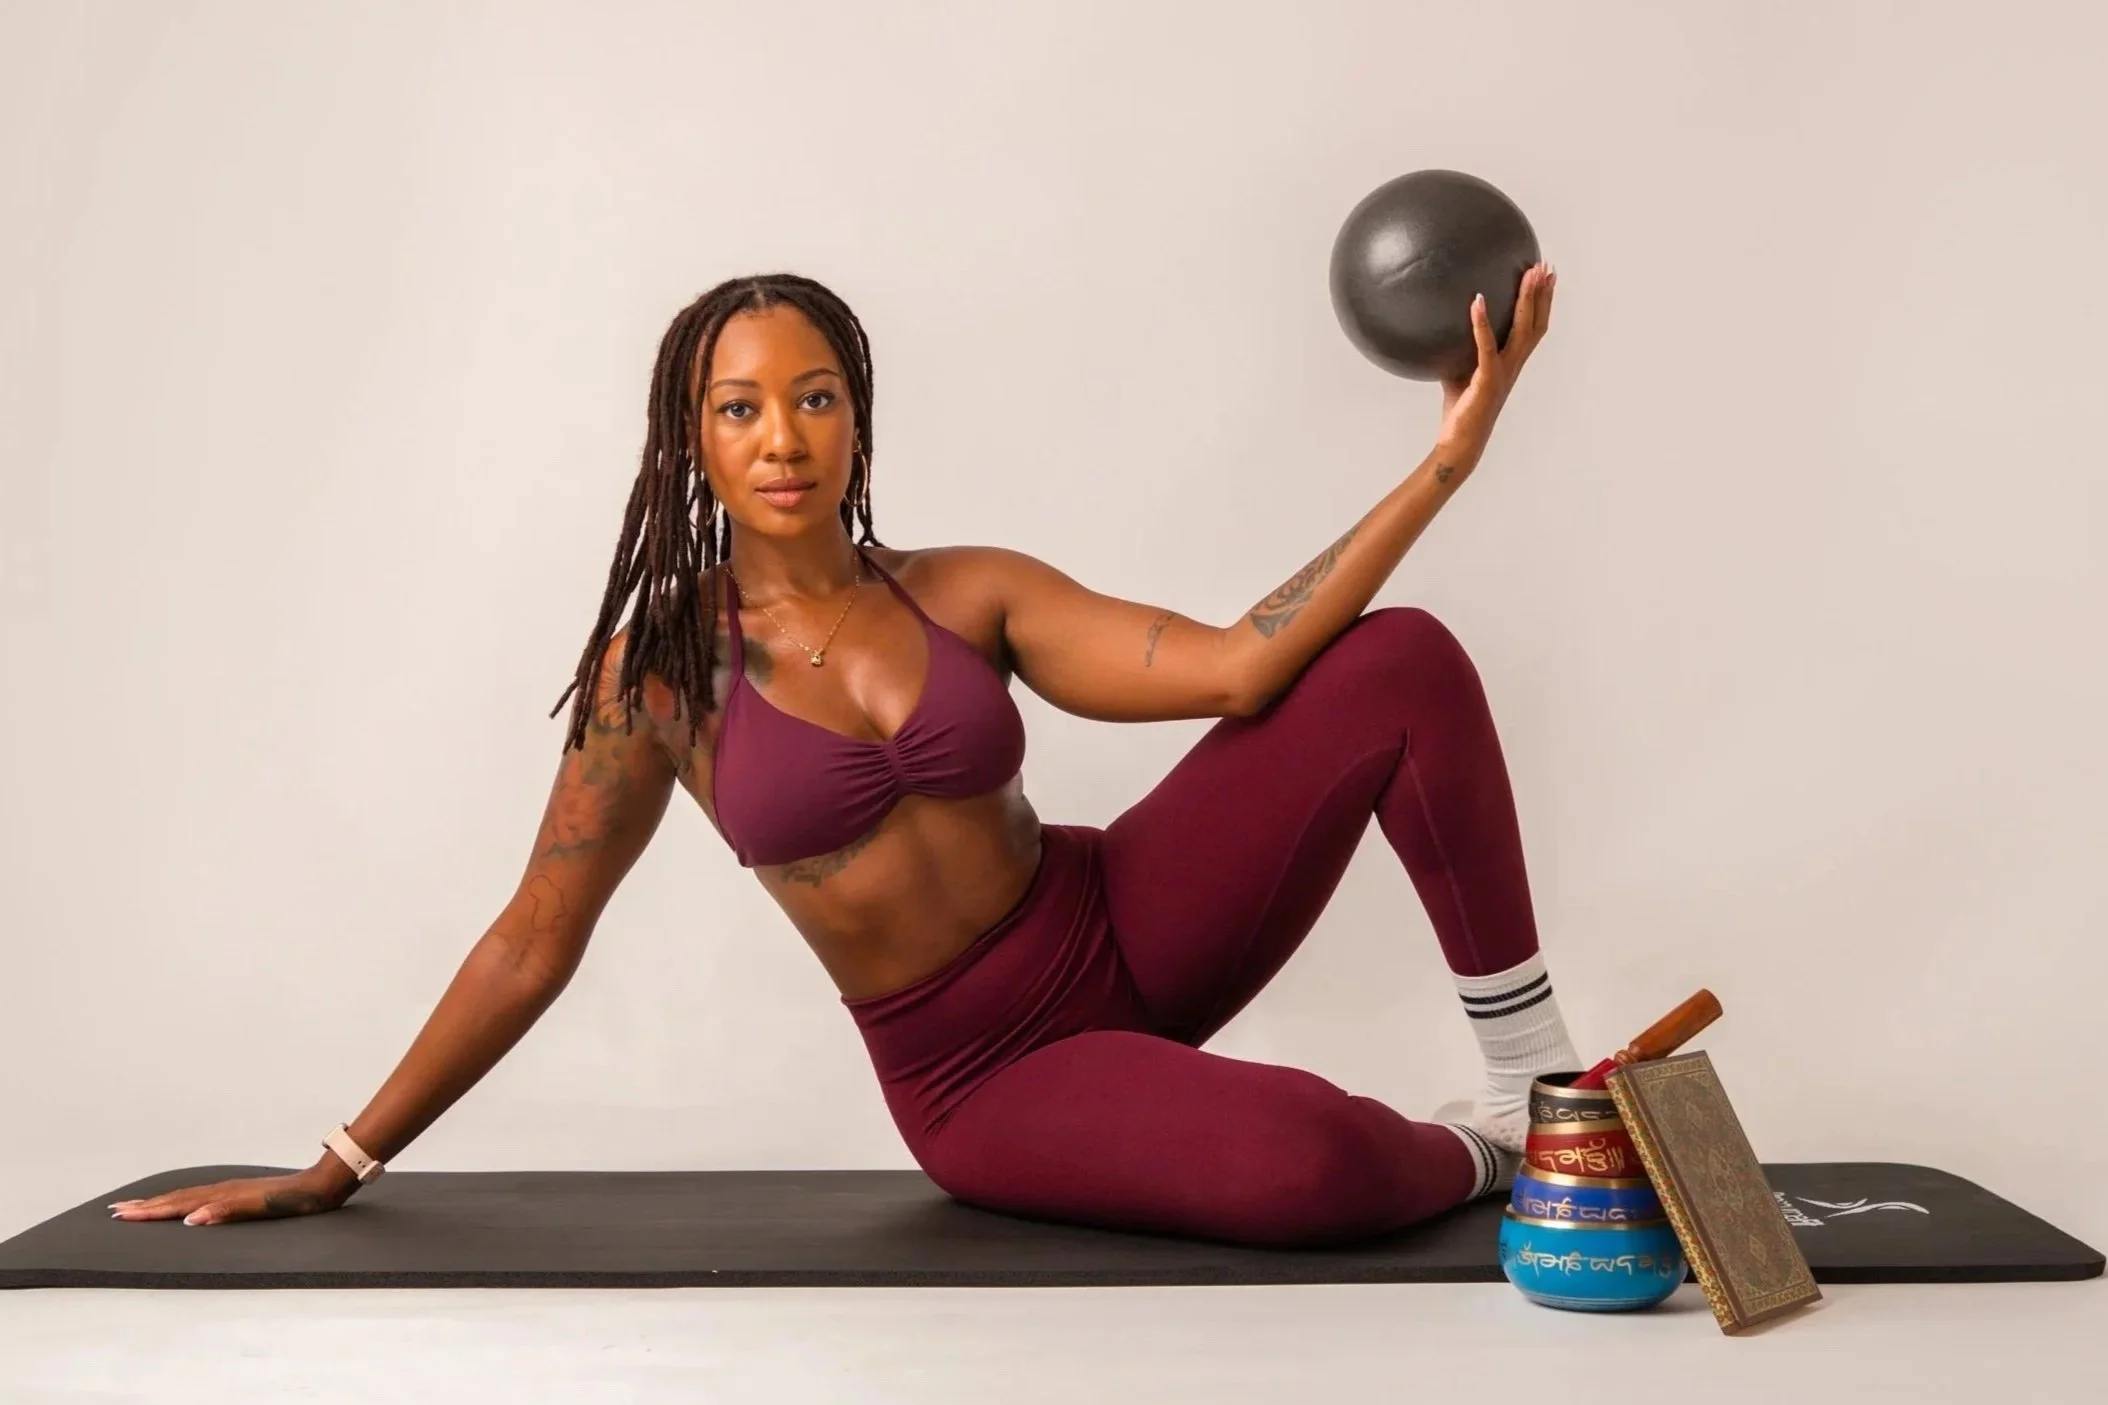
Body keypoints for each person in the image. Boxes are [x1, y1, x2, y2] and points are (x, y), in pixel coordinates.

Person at [111, 266, 1576, 1248]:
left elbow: (1241, 666)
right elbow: (534, 936)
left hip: (1121, 923)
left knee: (1395, 660)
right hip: (982, 1074)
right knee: (1309, 1164)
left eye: (813, 397)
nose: (782, 438)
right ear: (691, 441)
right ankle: (1488, 1154)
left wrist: (1448, 459)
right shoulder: (659, 677)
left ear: (855, 415)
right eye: (739, 408)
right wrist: (340, 1162)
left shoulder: (967, 591)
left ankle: (1541, 1086)